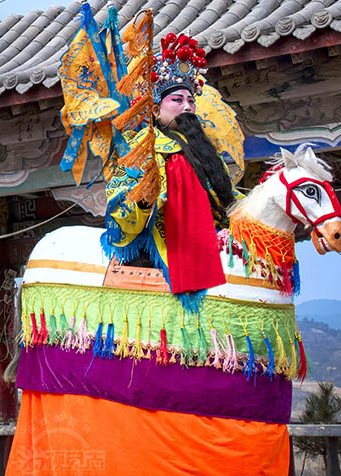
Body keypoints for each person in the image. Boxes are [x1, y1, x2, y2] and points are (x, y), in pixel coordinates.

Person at [102, 32, 240, 304]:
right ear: (154, 110)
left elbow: (227, 201)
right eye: (177, 101)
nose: (187, 107)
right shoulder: (142, 146)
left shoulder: (206, 151)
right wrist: (143, 198)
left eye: (191, 101)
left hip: (208, 243)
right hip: (157, 248)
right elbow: (118, 212)